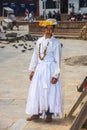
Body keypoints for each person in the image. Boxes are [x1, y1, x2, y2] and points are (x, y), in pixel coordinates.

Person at [26, 19, 62, 122]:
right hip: (40, 70)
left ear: (53, 30)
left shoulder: (56, 43)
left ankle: (49, 114)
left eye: (51, 29)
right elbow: (35, 56)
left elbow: (57, 60)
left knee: (50, 91)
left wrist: (56, 75)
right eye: (47, 28)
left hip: (50, 69)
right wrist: (32, 70)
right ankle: (36, 112)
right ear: (44, 29)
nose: (48, 31)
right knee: (37, 90)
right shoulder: (39, 41)